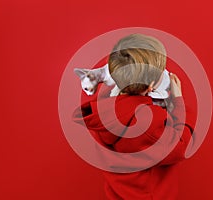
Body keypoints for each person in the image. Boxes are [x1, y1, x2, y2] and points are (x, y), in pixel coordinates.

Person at [73, 34, 194, 200]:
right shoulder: (148, 124)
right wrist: (178, 100)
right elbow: (181, 146)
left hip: (118, 195)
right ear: (151, 86)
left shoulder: (103, 110)